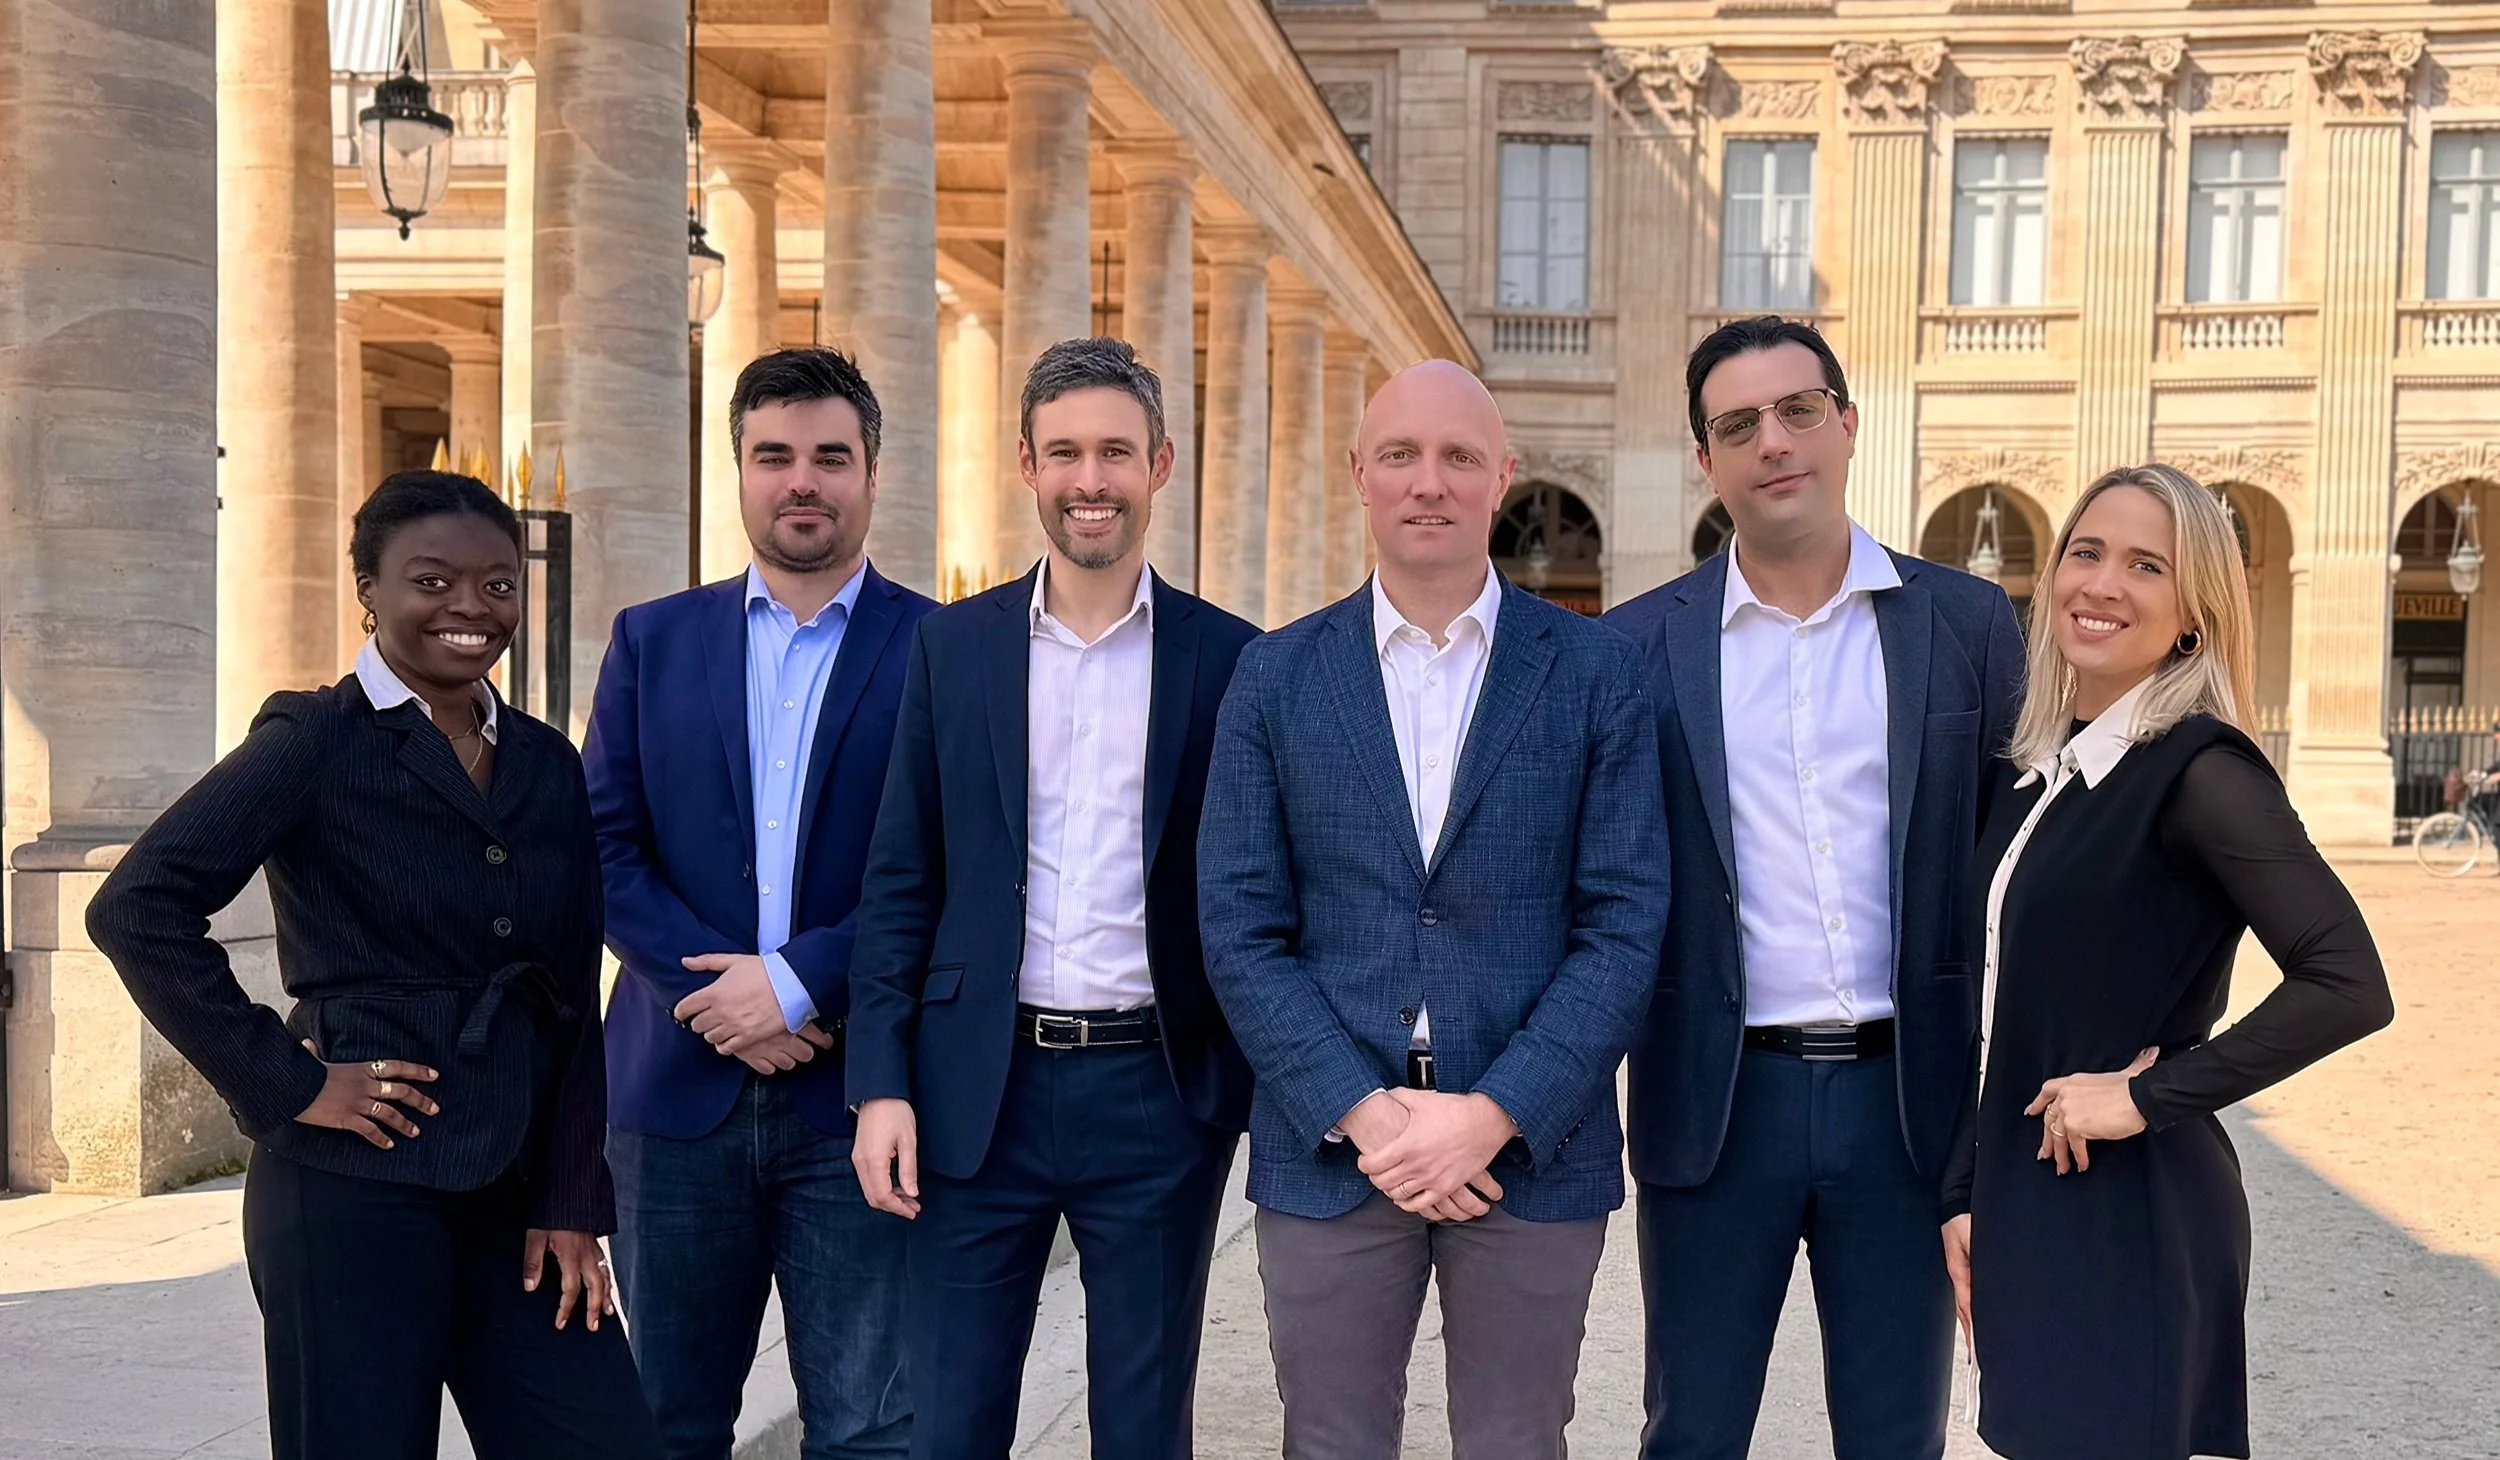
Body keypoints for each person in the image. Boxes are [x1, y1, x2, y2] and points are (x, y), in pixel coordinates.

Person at [84, 472, 663, 1460]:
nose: (470, 608)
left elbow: (569, 994)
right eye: (432, 581)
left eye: (497, 584)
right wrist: (290, 1081)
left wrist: (572, 1200)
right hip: (351, 1190)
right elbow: (136, 908)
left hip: (517, 1192)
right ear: (368, 588)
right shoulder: (314, 738)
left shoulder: (544, 761)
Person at [1198, 359, 1667, 1460]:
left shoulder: (1597, 672)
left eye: (1460, 456)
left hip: (1530, 1149)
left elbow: (1624, 922)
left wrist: (1492, 1113)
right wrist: (1368, 1114)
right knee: (1330, 1443)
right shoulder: (1273, 676)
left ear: (1502, 476)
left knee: (1515, 1443)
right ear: (1359, 472)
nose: (1429, 481)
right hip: (1330, 1145)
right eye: (1401, 454)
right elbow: (1238, 925)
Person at [1603, 316, 2025, 1460]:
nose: (1773, 441)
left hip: (1908, 1105)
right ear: (1706, 457)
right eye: (1738, 424)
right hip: (1714, 1101)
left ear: (1845, 423)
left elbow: (2019, 874)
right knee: (1690, 1432)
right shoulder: (1634, 649)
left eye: (1797, 410)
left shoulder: (1967, 624)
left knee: (1896, 1436)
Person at [846, 337, 1258, 1460]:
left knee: (1142, 1429)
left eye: (1116, 451)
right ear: (1026, 464)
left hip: (1157, 1097)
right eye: (1065, 451)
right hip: (974, 1092)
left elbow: (1256, 894)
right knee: (952, 1423)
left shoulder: (1234, 661)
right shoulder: (951, 648)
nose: (1091, 478)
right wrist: (879, 1083)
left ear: (1160, 464)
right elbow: (901, 879)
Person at [1944, 464, 2394, 1460]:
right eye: (2086, 551)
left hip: (2132, 1204)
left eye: (2148, 565)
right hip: (2026, 1199)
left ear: (2194, 614)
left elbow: (2348, 981)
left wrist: (2147, 1095)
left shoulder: (2202, 772)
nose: (2103, 584)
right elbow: (1997, 1012)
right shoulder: (2036, 775)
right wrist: (1963, 1192)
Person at [583, 348, 937, 1459]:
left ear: (872, 473)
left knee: (872, 1428)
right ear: (736, 470)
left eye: (831, 456)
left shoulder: (943, 648)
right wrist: (723, 1000)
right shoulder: (652, 639)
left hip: (861, 1094)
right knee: (664, 1422)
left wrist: (794, 984)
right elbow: (602, 846)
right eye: (774, 455)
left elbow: (961, 866)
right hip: (672, 1097)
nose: (802, 480)